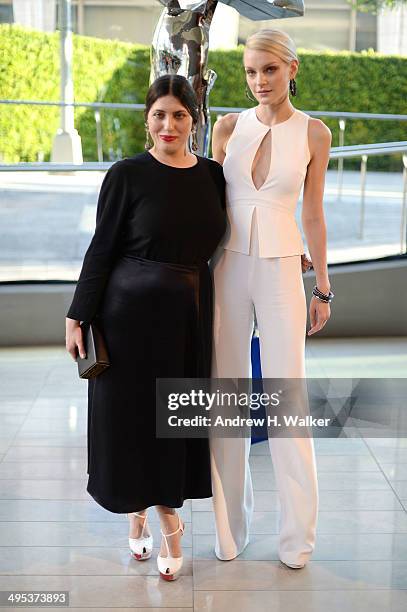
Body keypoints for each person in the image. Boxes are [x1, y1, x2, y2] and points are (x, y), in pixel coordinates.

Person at [65, 74, 226, 581]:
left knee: (172, 419)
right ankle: (160, 520)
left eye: (179, 114)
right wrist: (78, 314)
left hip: (187, 319)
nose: (169, 124)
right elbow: (102, 247)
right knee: (132, 421)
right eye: (159, 114)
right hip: (127, 317)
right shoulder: (127, 174)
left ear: (194, 120)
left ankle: (154, 514)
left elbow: (230, 238)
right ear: (146, 121)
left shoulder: (213, 176)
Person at [208, 28, 333, 568]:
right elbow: (209, 207)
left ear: (293, 69)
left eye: (270, 70)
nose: (259, 81)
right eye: (251, 72)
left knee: (288, 400)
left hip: (283, 271)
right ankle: (229, 532)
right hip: (227, 268)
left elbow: (311, 213)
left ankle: (297, 538)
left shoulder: (315, 134)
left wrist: (322, 286)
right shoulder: (226, 127)